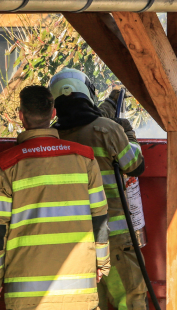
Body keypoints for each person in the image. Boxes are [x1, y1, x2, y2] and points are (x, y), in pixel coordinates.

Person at [0, 85, 110, 310]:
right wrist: (102, 264)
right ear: (53, 114)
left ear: (21, 116)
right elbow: (99, 218)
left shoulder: (6, 165)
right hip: (79, 292)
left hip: (27, 295)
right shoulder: (85, 159)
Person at [49, 70, 147, 310]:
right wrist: (128, 134)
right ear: (87, 94)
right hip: (115, 240)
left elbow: (84, 120)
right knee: (130, 302)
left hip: (75, 243)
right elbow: (134, 165)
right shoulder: (108, 130)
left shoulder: (52, 136)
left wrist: (109, 105)